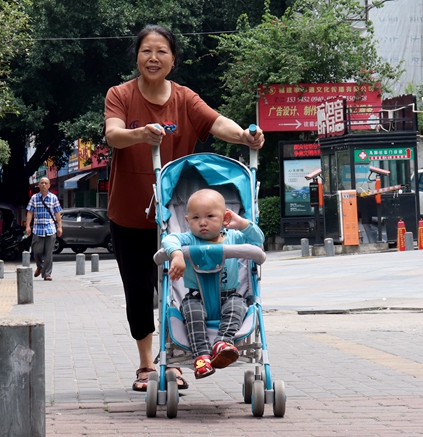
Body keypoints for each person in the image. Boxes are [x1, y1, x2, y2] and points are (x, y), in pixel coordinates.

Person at [104, 24, 265, 392]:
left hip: (177, 218)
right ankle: (147, 364)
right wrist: (141, 134)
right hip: (129, 215)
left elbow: (216, 121)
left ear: (173, 59)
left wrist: (243, 135)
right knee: (140, 291)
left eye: (162, 51)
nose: (153, 58)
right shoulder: (120, 94)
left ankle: (173, 360)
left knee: (176, 291)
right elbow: (113, 133)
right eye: (147, 51)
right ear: (137, 57)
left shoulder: (185, 98)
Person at [162, 189, 265, 379]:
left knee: (238, 305)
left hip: (229, 295)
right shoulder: (187, 239)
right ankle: (201, 356)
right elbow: (169, 239)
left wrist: (242, 224)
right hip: (196, 297)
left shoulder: (234, 237)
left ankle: (222, 343)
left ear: (225, 217)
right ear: (187, 220)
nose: (202, 222)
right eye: (195, 218)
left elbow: (257, 240)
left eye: (210, 216)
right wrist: (177, 254)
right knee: (192, 312)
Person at [25, 177, 63, 281]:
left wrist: (59, 227)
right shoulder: (34, 198)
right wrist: (28, 226)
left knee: (49, 253)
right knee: (37, 251)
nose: (44, 185)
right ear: (39, 185)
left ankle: (47, 274)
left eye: (46, 183)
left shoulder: (53, 198)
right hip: (38, 229)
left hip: (50, 229)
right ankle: (40, 267)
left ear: (49, 185)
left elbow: (57, 213)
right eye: (42, 183)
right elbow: (30, 212)